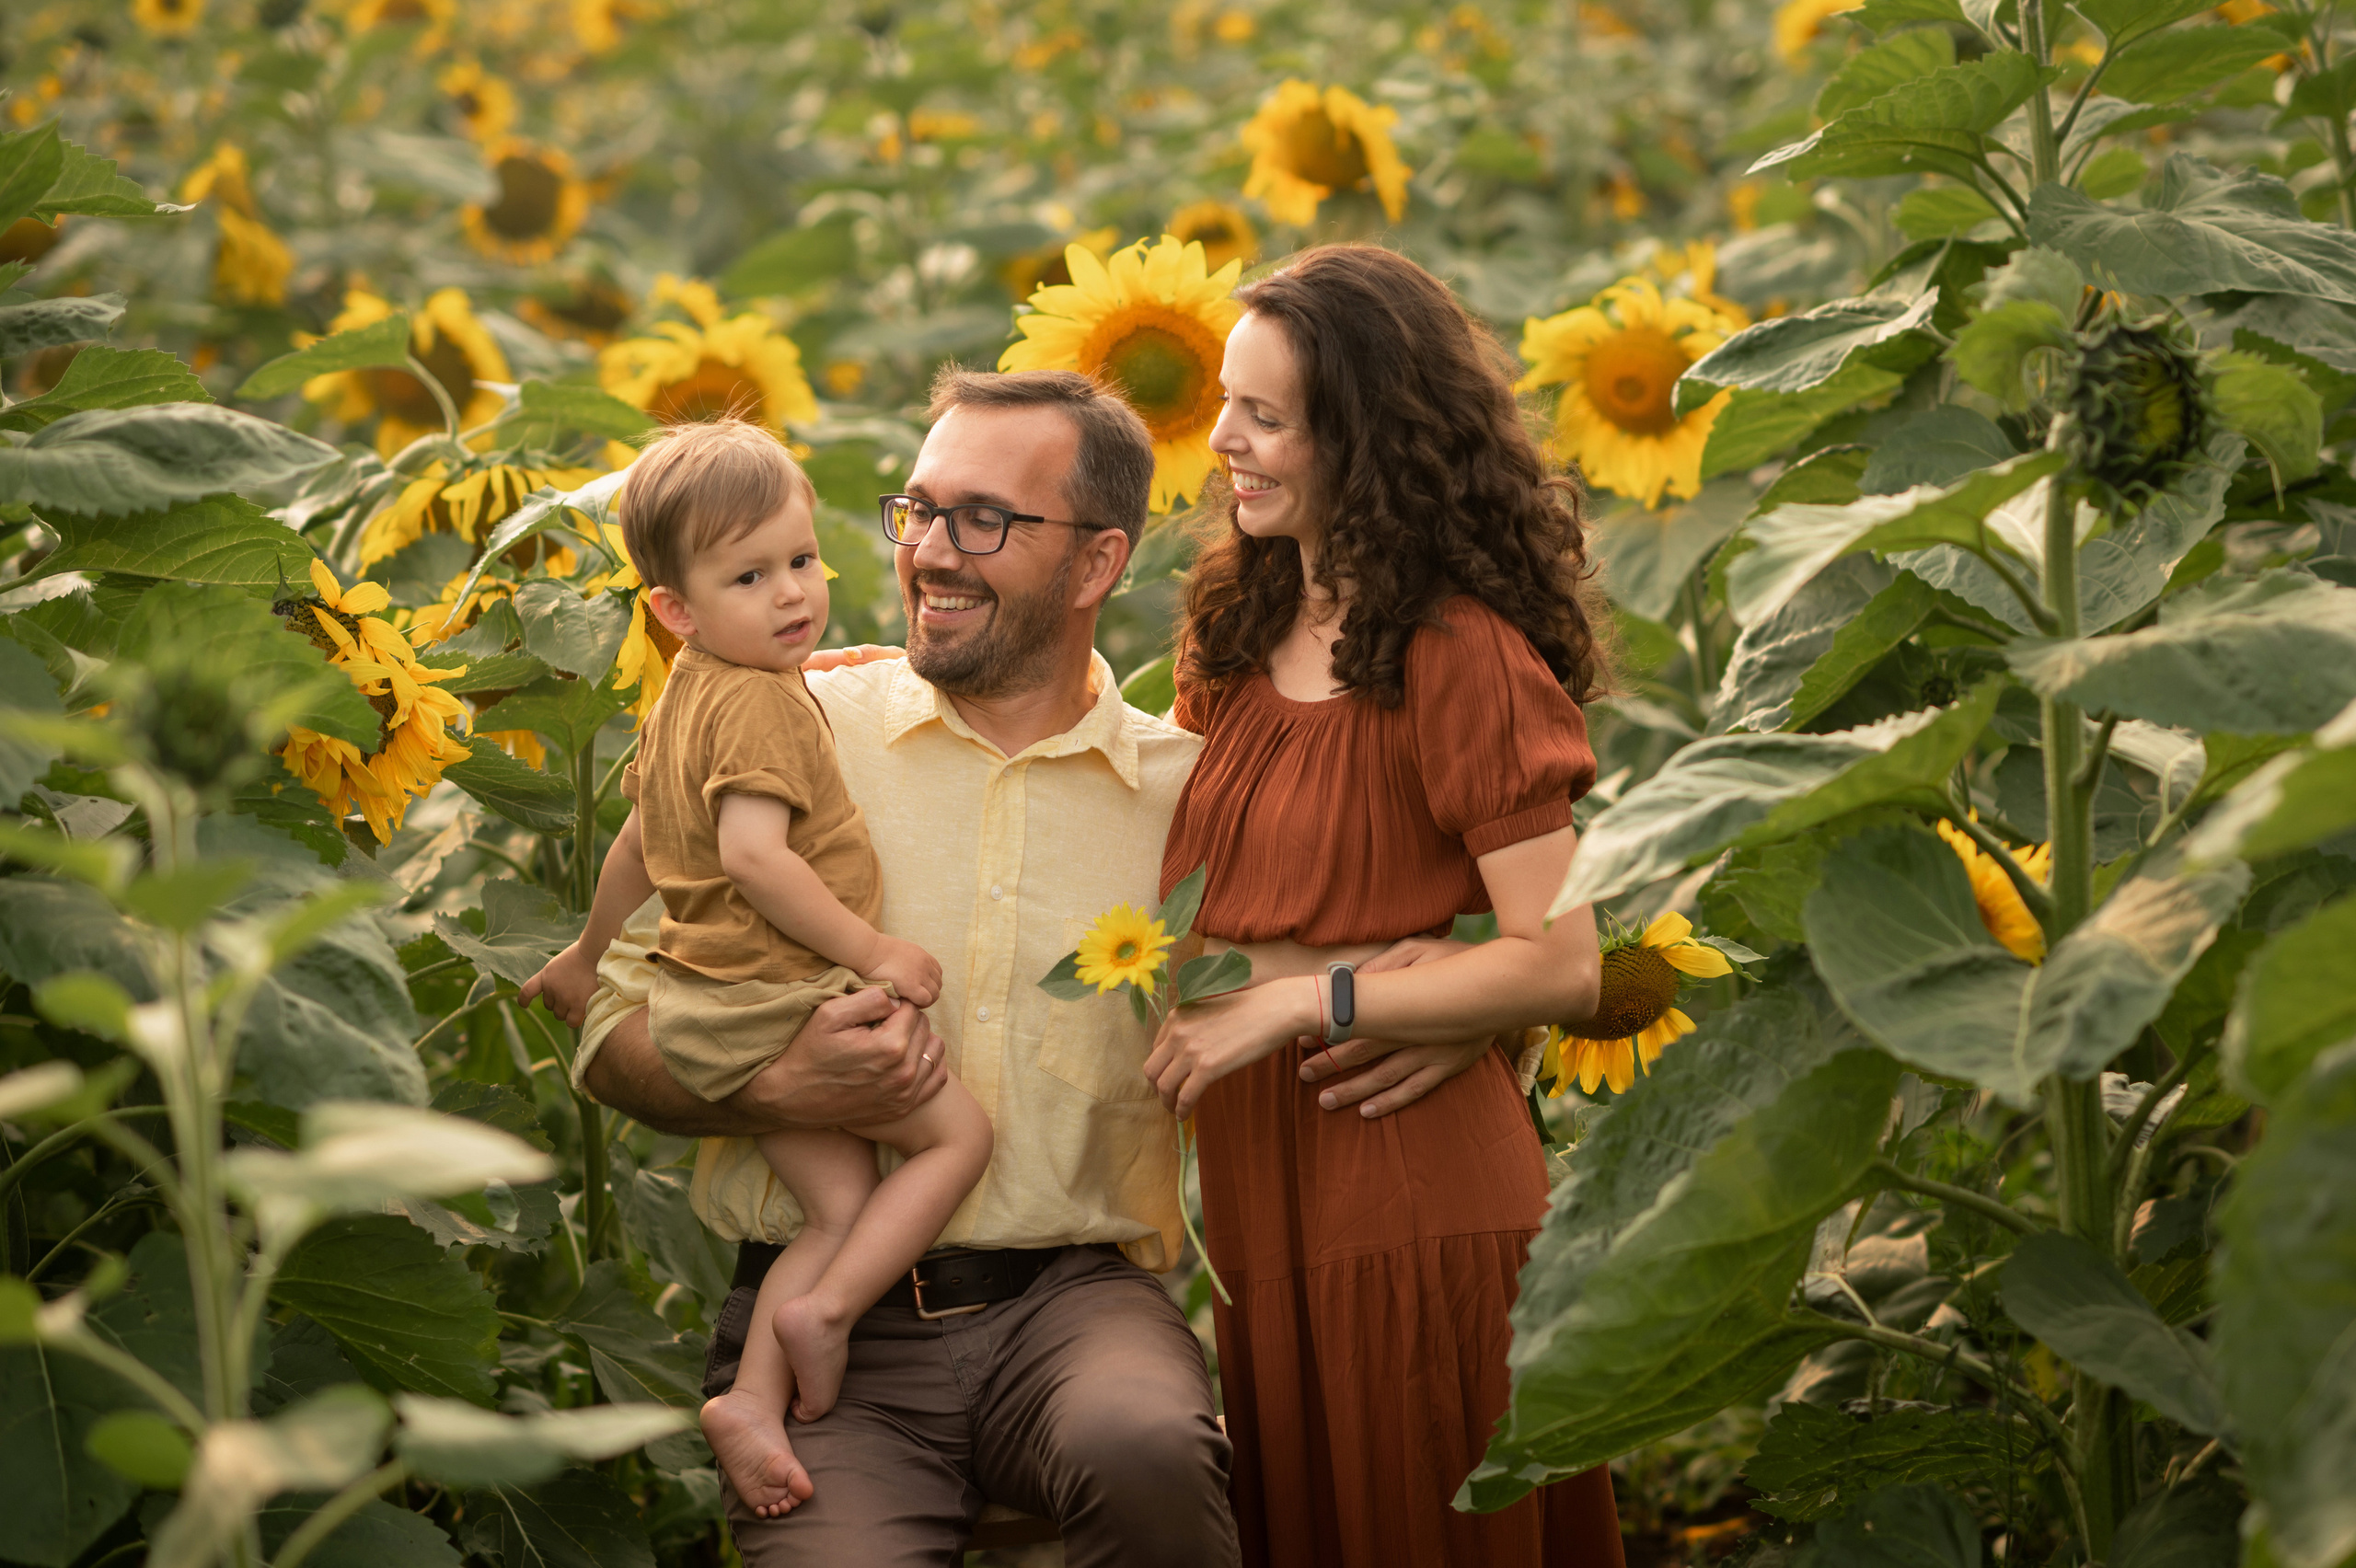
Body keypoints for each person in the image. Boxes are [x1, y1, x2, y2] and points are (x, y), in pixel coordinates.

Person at [539, 369, 1252, 1567]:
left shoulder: (1187, 800)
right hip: (827, 1323)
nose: (930, 553)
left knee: (1147, 1453)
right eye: (918, 511)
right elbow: (607, 1026)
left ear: (1095, 564)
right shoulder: (798, 721)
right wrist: (777, 1089)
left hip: (1077, 1305)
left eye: (983, 519)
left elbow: (1270, 1021)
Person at [1142, 245, 1625, 1567]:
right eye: (1225, 405)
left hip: (1404, 1183)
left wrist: (1315, 996)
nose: (1221, 441)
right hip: (1264, 1194)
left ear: (1364, 440)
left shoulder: (1457, 654)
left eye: (1264, 416)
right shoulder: (1236, 628)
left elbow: (1566, 963)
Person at [521, 420, 994, 1518]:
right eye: (749, 577)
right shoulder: (766, 705)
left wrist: (588, 955)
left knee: (832, 1213)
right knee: (957, 1138)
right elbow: (749, 853)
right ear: (675, 609)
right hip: (778, 1004)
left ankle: (752, 1396)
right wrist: (872, 950)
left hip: (706, 1004)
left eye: (799, 561)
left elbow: (642, 841)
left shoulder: (687, 687)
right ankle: (826, 1318)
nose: (792, 596)